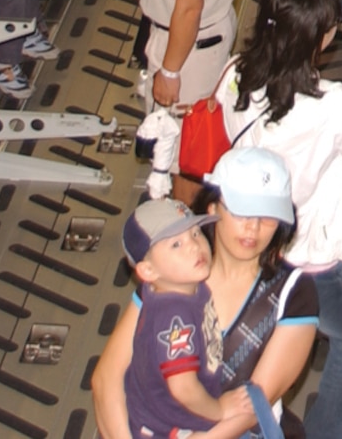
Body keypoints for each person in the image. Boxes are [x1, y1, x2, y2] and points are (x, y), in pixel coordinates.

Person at [217, 0, 342, 439]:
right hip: (306, 255)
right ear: (320, 37)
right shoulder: (336, 105)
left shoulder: (235, 75)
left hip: (243, 245)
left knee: (259, 343)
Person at [93, 149, 320, 439]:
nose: (254, 228)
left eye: (268, 216)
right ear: (213, 208)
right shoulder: (172, 272)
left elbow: (253, 404)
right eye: (242, 211)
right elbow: (107, 378)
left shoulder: (294, 292)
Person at [113, 199, 242, 439]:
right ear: (148, 271)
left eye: (195, 232)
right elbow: (183, 389)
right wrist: (220, 410)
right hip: (168, 428)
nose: (194, 246)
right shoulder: (174, 317)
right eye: (176, 244)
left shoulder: (184, 289)